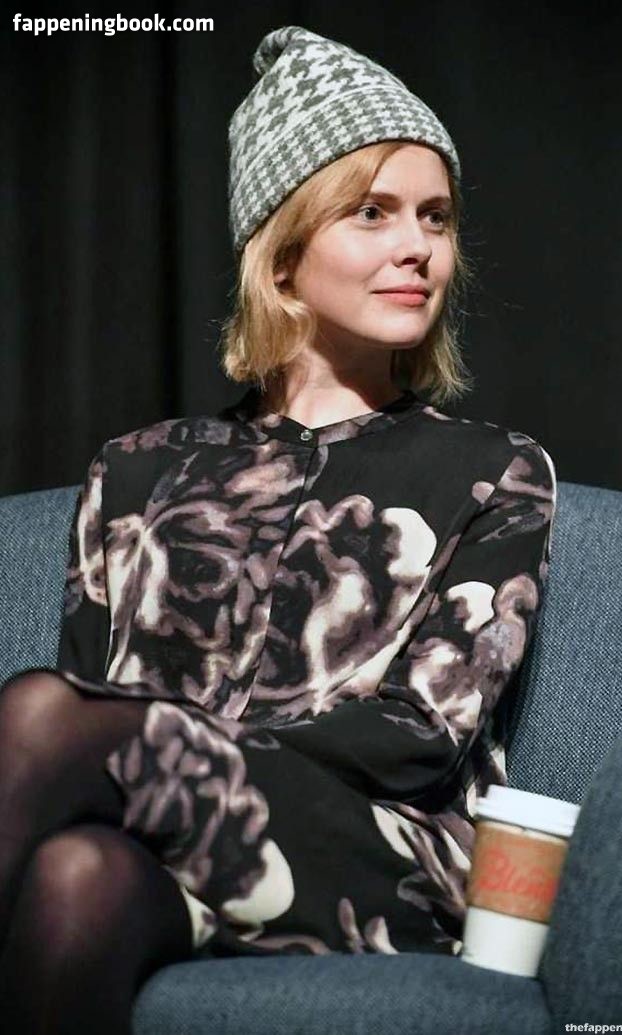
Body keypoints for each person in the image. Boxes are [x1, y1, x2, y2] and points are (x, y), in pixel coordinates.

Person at [0, 25, 556, 1034]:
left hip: (374, 859)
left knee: (41, 714)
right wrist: (145, 751)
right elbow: (96, 702)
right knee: (75, 874)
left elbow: (420, 736)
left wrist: (180, 744)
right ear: (283, 252)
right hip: (159, 846)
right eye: (371, 212)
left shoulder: (494, 469)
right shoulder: (135, 469)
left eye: (435, 217)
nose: (418, 247)